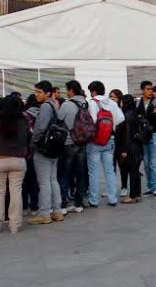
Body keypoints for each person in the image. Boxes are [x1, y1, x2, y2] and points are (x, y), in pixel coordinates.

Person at [0, 96, 29, 234]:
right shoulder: (23, 120)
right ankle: (15, 225)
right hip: (18, 160)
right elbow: (27, 138)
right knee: (16, 192)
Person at [29, 80, 65, 225]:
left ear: (47, 93)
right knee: (52, 179)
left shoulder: (45, 106)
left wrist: (34, 140)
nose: (36, 95)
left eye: (39, 92)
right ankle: (57, 211)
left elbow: (40, 127)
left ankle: (44, 213)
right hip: (54, 147)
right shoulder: (55, 105)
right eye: (36, 92)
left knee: (44, 182)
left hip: (43, 148)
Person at [86, 81, 124, 208]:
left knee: (93, 171)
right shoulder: (112, 103)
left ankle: (94, 200)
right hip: (110, 139)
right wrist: (110, 126)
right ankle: (112, 198)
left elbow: (92, 120)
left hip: (95, 141)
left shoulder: (92, 102)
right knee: (109, 171)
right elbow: (121, 118)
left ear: (93, 91)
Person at [58, 80, 90, 211]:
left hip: (68, 143)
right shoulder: (85, 103)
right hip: (82, 142)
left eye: (67, 90)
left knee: (65, 174)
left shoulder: (67, 104)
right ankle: (78, 203)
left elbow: (59, 120)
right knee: (80, 173)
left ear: (71, 90)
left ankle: (64, 204)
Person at [135, 81, 156, 197]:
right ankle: (150, 186)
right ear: (142, 90)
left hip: (154, 134)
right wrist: (149, 114)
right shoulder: (137, 103)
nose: (150, 91)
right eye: (148, 89)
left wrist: (145, 116)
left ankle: (155, 187)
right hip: (143, 136)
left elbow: (155, 116)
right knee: (146, 163)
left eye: (151, 89)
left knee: (153, 163)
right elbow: (137, 117)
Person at [116, 94, 143, 204]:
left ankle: (132, 196)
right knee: (136, 171)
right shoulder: (136, 113)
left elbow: (126, 134)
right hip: (138, 145)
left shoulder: (126, 116)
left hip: (130, 146)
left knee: (132, 171)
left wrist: (124, 150)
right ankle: (137, 194)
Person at [21, 94, 40, 215]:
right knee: (34, 180)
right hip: (38, 151)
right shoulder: (43, 113)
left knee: (24, 180)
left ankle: (24, 207)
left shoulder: (24, 116)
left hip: (25, 152)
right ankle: (34, 206)